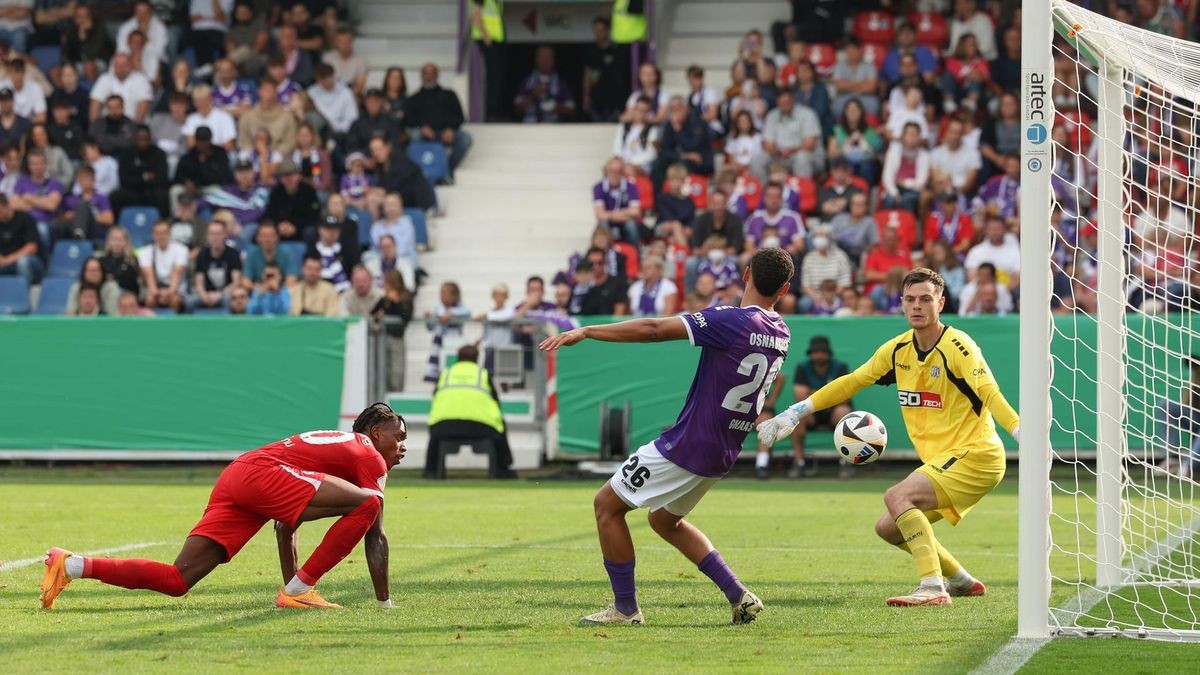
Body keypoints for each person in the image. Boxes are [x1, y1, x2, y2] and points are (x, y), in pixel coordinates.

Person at [540, 247, 795, 625]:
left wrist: (589, 331)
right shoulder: (781, 331)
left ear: (745, 275)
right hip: (724, 449)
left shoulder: (732, 320)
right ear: (785, 288)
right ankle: (738, 595)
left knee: (606, 506)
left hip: (689, 444)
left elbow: (655, 329)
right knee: (664, 521)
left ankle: (625, 609)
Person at [758, 268, 1019, 606]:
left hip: (976, 455)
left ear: (941, 303)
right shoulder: (898, 351)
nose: (917, 306)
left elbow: (989, 392)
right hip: (945, 461)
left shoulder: (958, 345)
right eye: (910, 299)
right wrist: (796, 411)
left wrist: (1017, 428)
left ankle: (931, 587)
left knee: (897, 496)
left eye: (926, 299)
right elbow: (852, 381)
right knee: (889, 527)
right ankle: (960, 580)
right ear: (901, 304)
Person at [41, 404, 407, 610]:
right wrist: (384, 604)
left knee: (178, 580)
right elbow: (375, 531)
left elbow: (285, 525)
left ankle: (71, 564)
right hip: (263, 474)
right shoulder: (368, 455)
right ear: (376, 433)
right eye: (399, 436)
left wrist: (291, 588)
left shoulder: (343, 453)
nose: (403, 446)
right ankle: (300, 590)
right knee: (370, 503)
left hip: (240, 476)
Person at [756, 336, 852, 479]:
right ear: (811, 353)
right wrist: (830, 393)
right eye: (815, 352)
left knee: (844, 413)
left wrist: (813, 392)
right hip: (811, 411)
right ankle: (799, 462)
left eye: (822, 352)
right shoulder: (803, 367)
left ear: (828, 353)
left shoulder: (840, 366)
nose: (819, 355)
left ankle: (846, 462)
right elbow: (800, 396)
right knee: (797, 418)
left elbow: (844, 398)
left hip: (834, 410)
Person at [424, 344, 517, 479]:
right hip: (481, 427)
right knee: (500, 424)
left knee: (435, 432)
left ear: (458, 358)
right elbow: (496, 401)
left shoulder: (445, 374)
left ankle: (431, 470)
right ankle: (503, 468)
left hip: (444, 427)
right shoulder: (483, 374)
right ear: (477, 359)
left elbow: (435, 397)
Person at [404, 62, 471, 175]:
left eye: (432, 73)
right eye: (426, 73)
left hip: (446, 132)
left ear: (437, 75)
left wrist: (450, 128)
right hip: (424, 134)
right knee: (415, 135)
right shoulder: (414, 98)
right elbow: (409, 119)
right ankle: (421, 173)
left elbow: (460, 116)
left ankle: (446, 170)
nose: (429, 76)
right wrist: (422, 127)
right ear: (422, 75)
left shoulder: (449, 94)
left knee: (465, 139)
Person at [755, 90, 823, 180]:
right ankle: (766, 192)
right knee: (757, 159)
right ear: (777, 102)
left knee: (802, 157)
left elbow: (810, 144)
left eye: (787, 101)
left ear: (793, 100)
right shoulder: (772, 115)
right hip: (779, 155)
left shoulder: (807, 114)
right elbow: (768, 143)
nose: (785, 104)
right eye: (782, 102)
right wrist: (776, 151)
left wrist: (790, 150)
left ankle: (802, 191)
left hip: (808, 155)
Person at [112, 124, 170, 218]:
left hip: (152, 191)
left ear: (150, 138)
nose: (143, 141)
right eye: (140, 138)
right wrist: (144, 177)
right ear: (134, 138)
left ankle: (163, 223)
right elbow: (124, 179)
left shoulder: (159, 154)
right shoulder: (127, 154)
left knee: (163, 195)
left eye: (145, 138)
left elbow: (162, 178)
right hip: (133, 191)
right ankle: (118, 225)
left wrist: (138, 178)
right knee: (116, 196)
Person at [373, 269, 414, 390]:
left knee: (396, 373)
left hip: (396, 338)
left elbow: (405, 317)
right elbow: (373, 313)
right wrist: (377, 318)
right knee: (382, 370)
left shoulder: (406, 297)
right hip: (382, 339)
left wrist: (396, 302)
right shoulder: (384, 299)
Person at [582, 16, 628, 122]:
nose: (598, 33)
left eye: (600, 30)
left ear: (607, 30)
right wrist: (586, 96)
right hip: (597, 97)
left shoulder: (616, 50)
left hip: (614, 97)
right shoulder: (592, 51)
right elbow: (587, 74)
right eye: (595, 30)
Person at [514, 45, 575, 123]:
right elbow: (517, 109)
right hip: (529, 127)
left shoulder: (560, 82)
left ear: (553, 60)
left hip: (553, 128)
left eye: (549, 57)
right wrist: (533, 95)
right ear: (536, 60)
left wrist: (555, 106)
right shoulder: (527, 81)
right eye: (542, 57)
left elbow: (571, 111)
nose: (546, 60)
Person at [88, 54, 153, 124]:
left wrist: (135, 130)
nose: (121, 68)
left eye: (124, 64)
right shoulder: (104, 79)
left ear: (131, 65)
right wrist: (94, 127)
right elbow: (95, 105)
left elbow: (143, 106)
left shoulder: (141, 79)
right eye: (117, 64)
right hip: (107, 126)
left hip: (133, 125)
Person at [139, 220, 188, 312]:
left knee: (174, 300)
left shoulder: (182, 249)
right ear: (153, 235)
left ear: (170, 233)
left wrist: (170, 292)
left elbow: (177, 273)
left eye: (164, 233)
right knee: (150, 299)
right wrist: (156, 292)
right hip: (155, 289)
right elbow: (148, 275)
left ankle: (174, 324)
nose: (161, 236)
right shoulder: (145, 252)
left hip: (175, 289)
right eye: (157, 233)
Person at [192, 219, 242, 309]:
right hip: (206, 294)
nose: (215, 237)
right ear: (208, 236)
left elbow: (236, 282)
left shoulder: (233, 254)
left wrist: (219, 295)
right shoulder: (202, 254)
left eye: (218, 234)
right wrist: (204, 295)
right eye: (212, 234)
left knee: (228, 300)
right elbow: (199, 282)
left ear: (225, 235)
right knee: (189, 301)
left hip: (226, 293)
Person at [266, 160, 321, 241]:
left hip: (302, 229)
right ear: (281, 179)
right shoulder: (276, 192)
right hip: (281, 229)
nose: (289, 179)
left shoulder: (309, 191)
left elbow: (314, 215)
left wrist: (296, 227)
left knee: (310, 231)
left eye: (292, 175)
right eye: (285, 176)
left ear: (298, 175)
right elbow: (270, 213)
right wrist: (279, 225)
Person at [593, 157, 642, 245]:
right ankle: (605, 253)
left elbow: (636, 212)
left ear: (622, 172)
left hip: (625, 221)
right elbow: (600, 214)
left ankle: (636, 253)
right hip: (611, 221)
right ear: (606, 171)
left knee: (631, 225)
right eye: (612, 171)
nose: (615, 174)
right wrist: (624, 213)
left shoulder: (630, 186)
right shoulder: (599, 187)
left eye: (618, 171)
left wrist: (610, 214)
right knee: (603, 224)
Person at [470, 0, 506, 121]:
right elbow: (475, 15)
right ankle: (491, 112)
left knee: (496, 76)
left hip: (494, 39)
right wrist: (485, 35)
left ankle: (494, 111)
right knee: (491, 77)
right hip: (486, 40)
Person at [308, 215, 357, 293]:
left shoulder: (347, 251)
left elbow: (353, 273)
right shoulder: (312, 252)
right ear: (320, 230)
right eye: (328, 229)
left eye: (335, 229)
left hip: (345, 293)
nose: (331, 233)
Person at [0, 193, 41, 284]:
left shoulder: (25, 218)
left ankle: (23, 294)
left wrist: (8, 259)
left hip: (29, 260)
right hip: (4, 262)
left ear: (7, 206)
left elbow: (32, 248)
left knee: (23, 262)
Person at [578, 245, 628, 316]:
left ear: (605, 262)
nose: (595, 266)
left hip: (608, 326)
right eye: (591, 263)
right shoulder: (579, 285)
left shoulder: (616, 284)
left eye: (600, 262)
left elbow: (619, 314)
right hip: (585, 326)